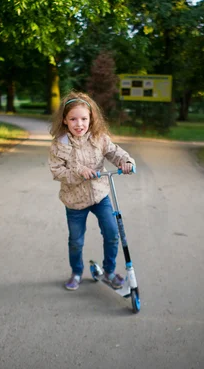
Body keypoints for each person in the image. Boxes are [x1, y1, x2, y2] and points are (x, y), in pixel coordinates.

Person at [49, 92, 135, 291]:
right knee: (76, 241)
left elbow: (115, 152)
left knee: (113, 233)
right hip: (74, 201)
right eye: (73, 119)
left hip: (100, 195)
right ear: (64, 120)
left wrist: (126, 162)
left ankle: (109, 271)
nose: (79, 124)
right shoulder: (59, 145)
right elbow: (57, 171)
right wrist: (79, 172)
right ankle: (76, 272)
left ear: (91, 119)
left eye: (84, 119)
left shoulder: (99, 138)